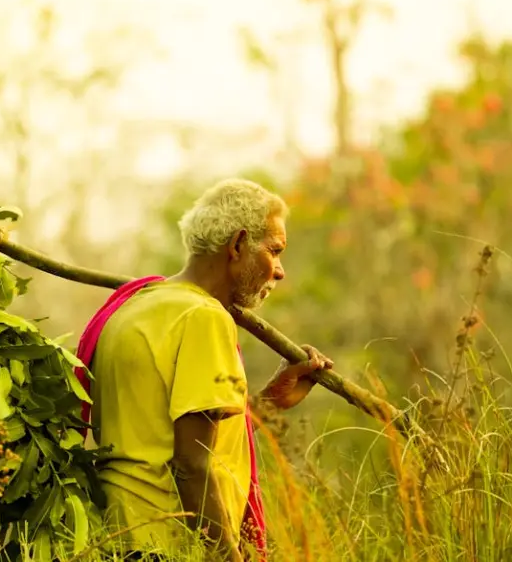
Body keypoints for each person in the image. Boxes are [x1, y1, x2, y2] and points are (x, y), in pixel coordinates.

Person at [78, 178, 333, 561]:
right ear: (237, 245)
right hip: (167, 542)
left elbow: (160, 428)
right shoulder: (204, 317)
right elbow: (192, 463)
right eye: (275, 251)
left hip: (115, 537)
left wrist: (266, 404)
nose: (279, 271)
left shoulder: (135, 306)